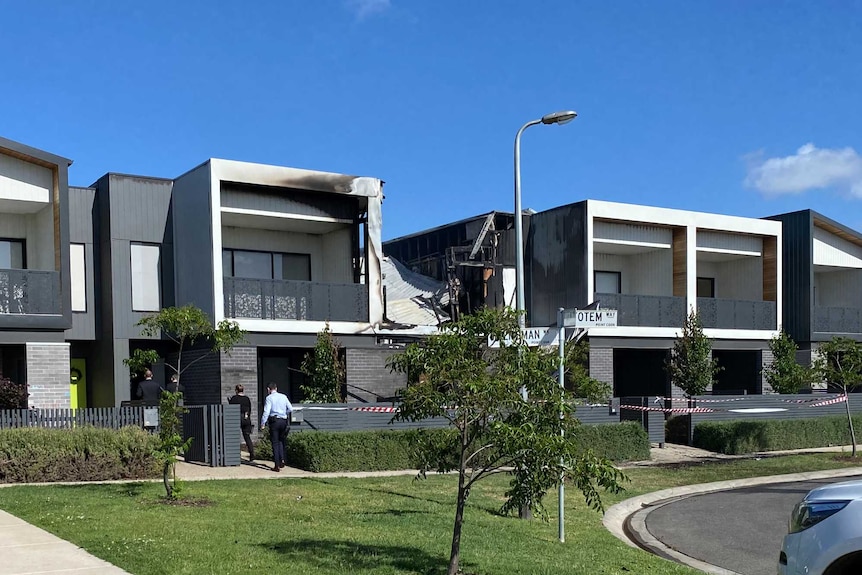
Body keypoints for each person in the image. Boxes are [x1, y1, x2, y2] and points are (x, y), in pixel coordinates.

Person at [260, 382, 292, 472]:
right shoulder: (283, 396)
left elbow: (266, 411)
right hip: (283, 421)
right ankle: (282, 459)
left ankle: (276, 465)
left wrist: (263, 423)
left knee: (275, 442)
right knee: (281, 440)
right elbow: (290, 408)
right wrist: (284, 414)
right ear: (276, 388)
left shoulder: (269, 398)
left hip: (274, 421)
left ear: (268, 389)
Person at [228, 384, 255, 461]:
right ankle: (252, 454)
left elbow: (231, 409)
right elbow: (249, 409)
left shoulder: (234, 398)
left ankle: (235, 454)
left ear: (236, 390)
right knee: (247, 437)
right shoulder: (247, 399)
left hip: (237, 419)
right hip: (246, 420)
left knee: (235, 437)